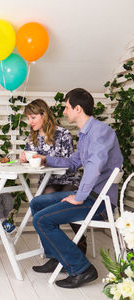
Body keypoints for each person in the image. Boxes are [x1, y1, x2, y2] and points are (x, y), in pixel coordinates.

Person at [30, 88, 123, 289]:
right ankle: (58, 257)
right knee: (37, 203)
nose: (64, 112)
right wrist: (46, 159)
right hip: (89, 196)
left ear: (77, 109)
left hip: (100, 202)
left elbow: (94, 167)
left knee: (42, 220)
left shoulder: (101, 132)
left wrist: (79, 197)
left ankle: (82, 269)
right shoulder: (85, 134)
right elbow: (74, 162)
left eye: (66, 107)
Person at [19, 99, 87, 253]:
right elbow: (31, 162)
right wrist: (24, 158)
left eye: (33, 117)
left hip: (69, 178)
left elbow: (69, 163)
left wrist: (44, 159)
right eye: (28, 118)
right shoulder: (31, 139)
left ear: (44, 114)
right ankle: (57, 249)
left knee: (69, 201)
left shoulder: (63, 134)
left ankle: (81, 240)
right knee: (45, 202)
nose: (30, 122)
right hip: (48, 180)